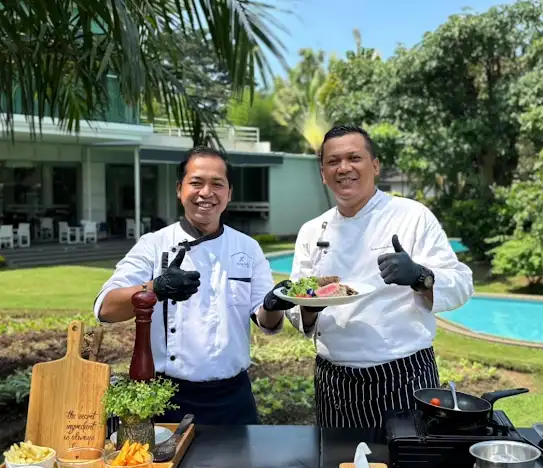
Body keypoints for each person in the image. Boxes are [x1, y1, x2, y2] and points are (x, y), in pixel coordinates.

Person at [263, 125, 474, 428]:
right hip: (333, 379)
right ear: (323, 174)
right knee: (337, 458)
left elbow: (461, 284)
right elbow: (300, 310)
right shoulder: (312, 230)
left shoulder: (412, 216)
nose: (343, 168)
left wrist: (420, 275)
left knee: (405, 459)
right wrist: (307, 307)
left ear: (375, 166)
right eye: (333, 162)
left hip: (404, 376)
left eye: (354, 158)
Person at [94, 146, 284, 425]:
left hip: (233, 397)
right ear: (179, 189)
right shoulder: (154, 244)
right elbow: (105, 308)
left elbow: (266, 321)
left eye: (217, 184)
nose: (206, 193)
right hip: (166, 397)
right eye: (196, 182)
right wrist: (156, 288)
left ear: (229, 193)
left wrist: (273, 304)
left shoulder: (248, 248)